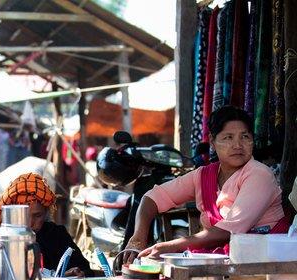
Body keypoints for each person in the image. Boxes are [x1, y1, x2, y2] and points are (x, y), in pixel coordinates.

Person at [122, 105, 288, 264]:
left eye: (245, 137)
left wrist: (168, 246)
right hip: (230, 260)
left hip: (266, 263)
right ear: (213, 143)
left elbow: (227, 231)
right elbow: (152, 197)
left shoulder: (259, 174)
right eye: (228, 137)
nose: (238, 145)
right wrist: (137, 238)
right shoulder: (203, 175)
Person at [0, 172, 92, 280]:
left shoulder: (57, 236)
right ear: (13, 213)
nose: (30, 223)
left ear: (46, 213)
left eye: (37, 215)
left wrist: (70, 275)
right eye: (24, 215)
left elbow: (86, 272)